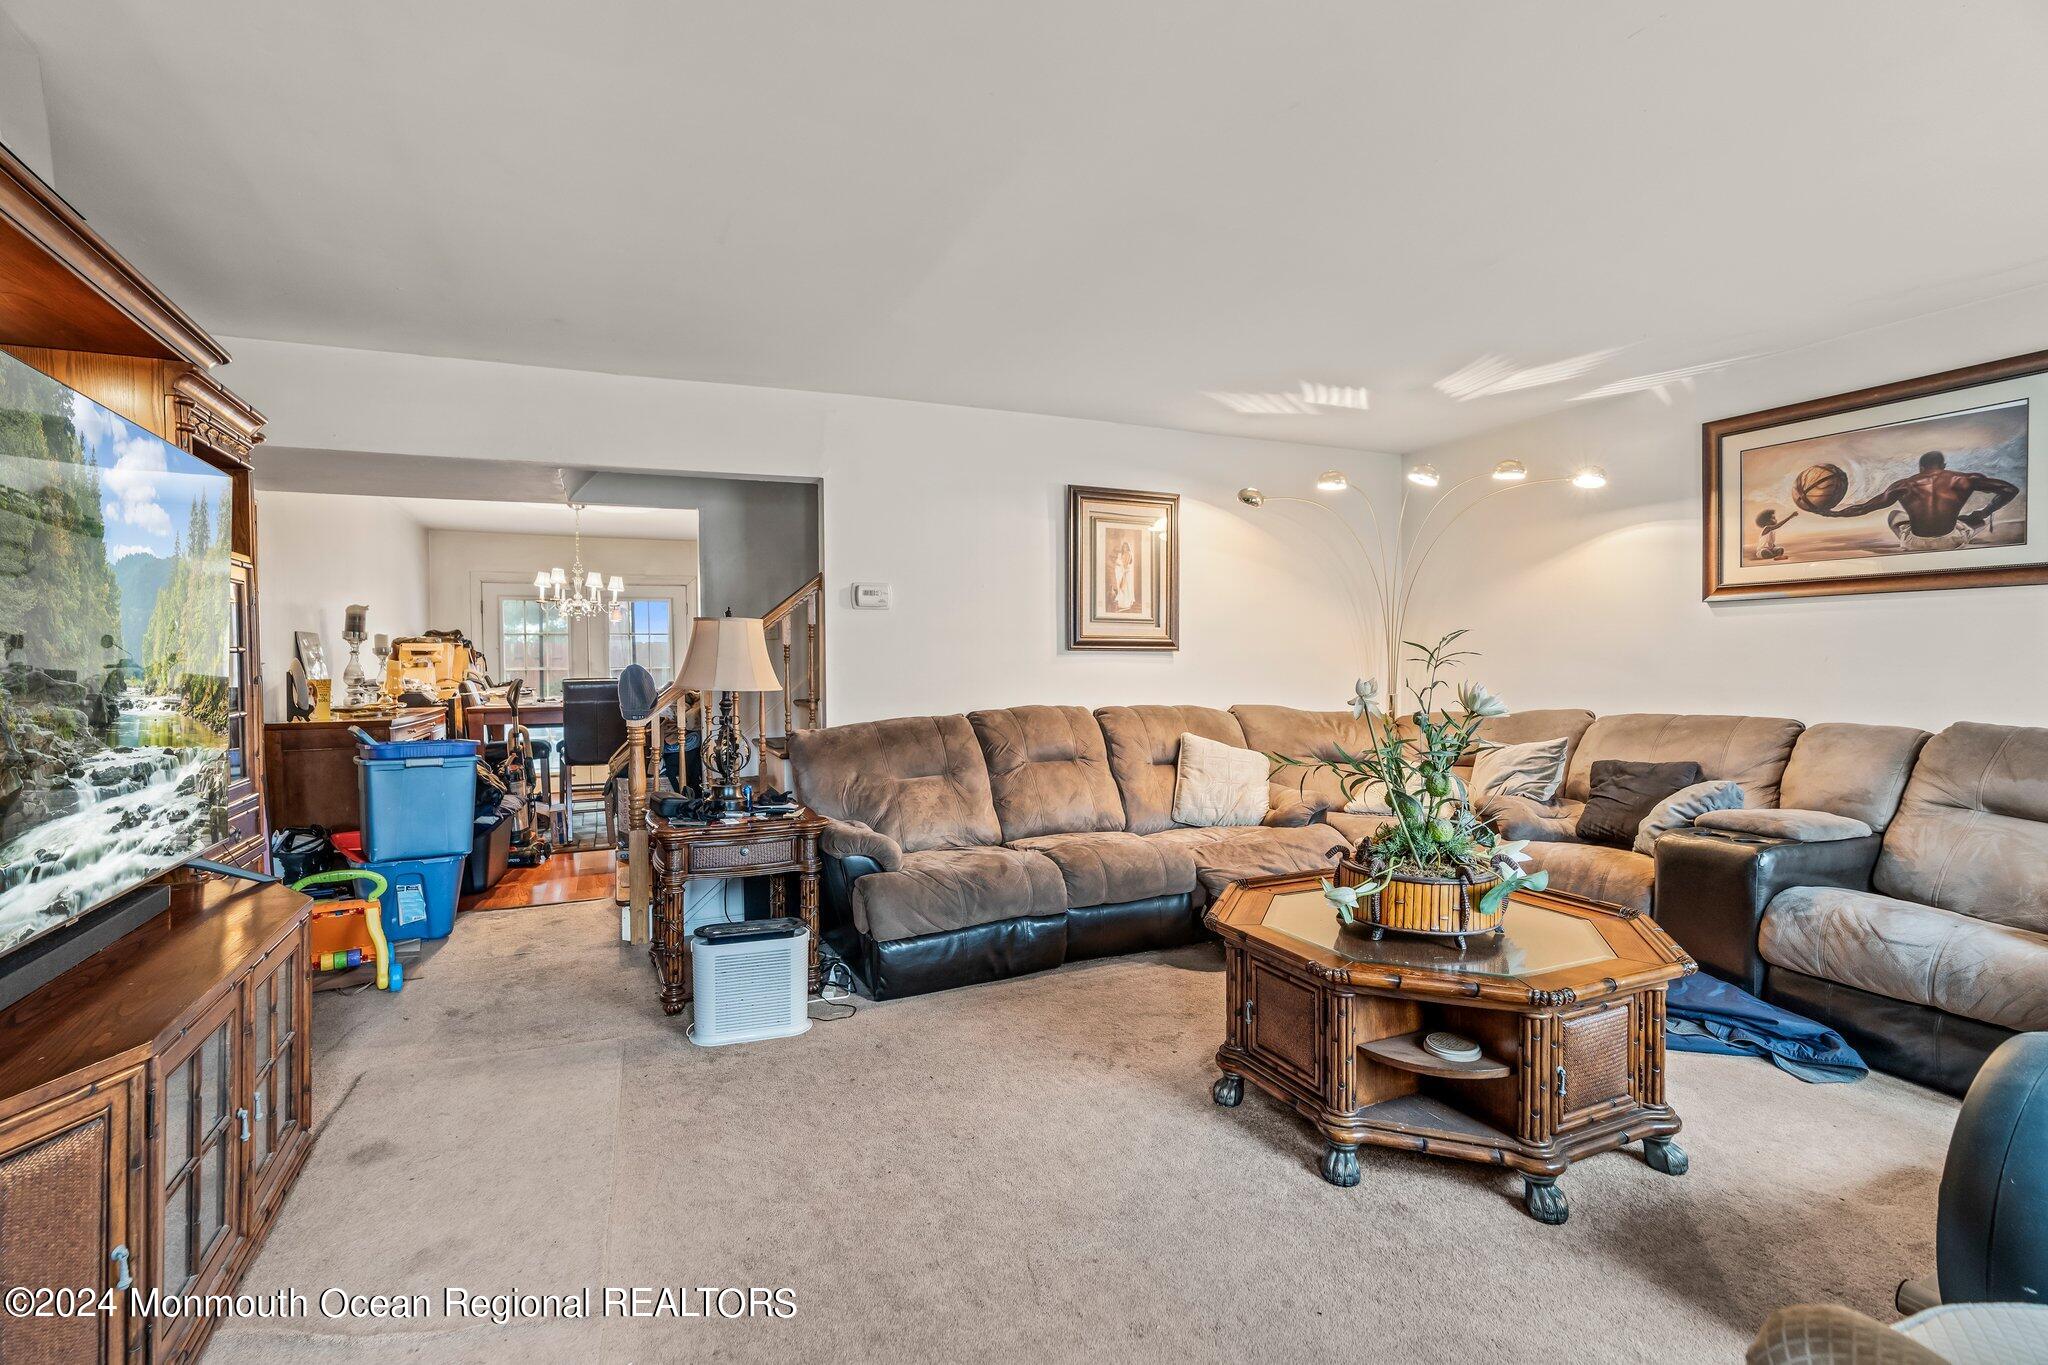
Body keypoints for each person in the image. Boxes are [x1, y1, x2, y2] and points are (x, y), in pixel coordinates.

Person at [1819, 450, 2019, 551]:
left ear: (1921, 467)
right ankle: (1972, 524)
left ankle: (1911, 542)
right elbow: (2010, 490)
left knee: (1894, 515)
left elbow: (1864, 508)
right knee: (1975, 519)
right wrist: (1984, 512)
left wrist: (1831, 513)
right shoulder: (1966, 479)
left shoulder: (1904, 485)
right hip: (1952, 541)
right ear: (1943, 464)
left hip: (1914, 543)